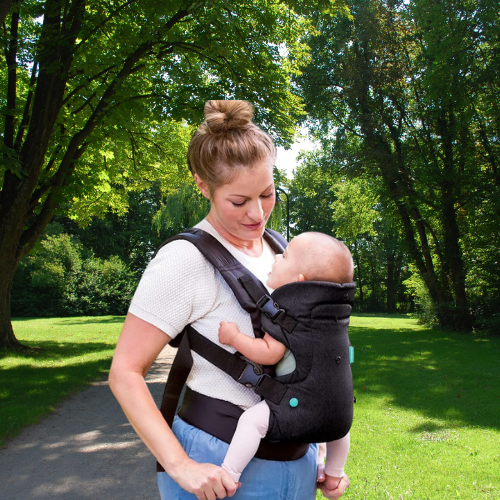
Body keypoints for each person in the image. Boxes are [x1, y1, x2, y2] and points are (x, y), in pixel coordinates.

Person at [108, 99, 350, 500]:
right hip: (219, 464)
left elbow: (314, 356)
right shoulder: (183, 260)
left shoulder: (283, 252)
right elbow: (125, 373)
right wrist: (180, 465)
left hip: (299, 466)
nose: (258, 214)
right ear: (203, 187)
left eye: (268, 194)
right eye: (238, 201)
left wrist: (325, 449)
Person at [219, 232, 354, 492]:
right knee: (337, 430)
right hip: (338, 412)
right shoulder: (333, 317)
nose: (278, 256)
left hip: (300, 406)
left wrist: (234, 337)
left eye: (286, 256)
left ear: (298, 281)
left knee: (252, 422)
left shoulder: (293, 315)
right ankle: (334, 475)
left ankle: (229, 473)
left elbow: (269, 352)